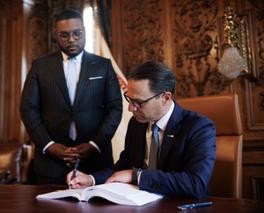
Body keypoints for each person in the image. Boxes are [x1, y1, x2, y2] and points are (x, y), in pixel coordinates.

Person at [67, 60, 216, 198]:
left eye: (138, 102)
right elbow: (121, 169)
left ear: (165, 97)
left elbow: (195, 184)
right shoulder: (136, 123)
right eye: (130, 100)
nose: (131, 108)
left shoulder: (199, 127)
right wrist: (90, 179)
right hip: (140, 203)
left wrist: (137, 176)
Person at [20, 9, 122, 184]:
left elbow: (115, 108)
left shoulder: (103, 66)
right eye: (64, 35)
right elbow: (28, 109)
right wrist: (49, 145)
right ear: (56, 35)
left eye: (77, 33)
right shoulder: (40, 66)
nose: (72, 39)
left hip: (96, 162)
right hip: (50, 164)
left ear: (84, 31)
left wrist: (95, 144)